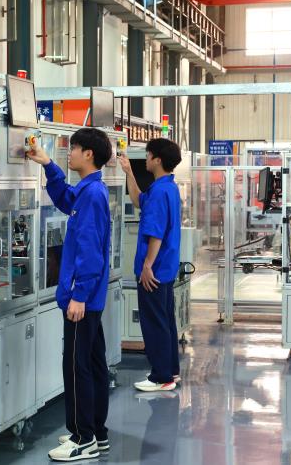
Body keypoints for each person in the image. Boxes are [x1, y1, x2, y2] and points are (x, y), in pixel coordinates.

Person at [26, 128, 113, 462]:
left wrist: (79, 295)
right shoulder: (90, 190)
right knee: (93, 363)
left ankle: (82, 437)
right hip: (89, 297)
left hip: (82, 299)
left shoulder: (92, 195)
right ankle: (97, 432)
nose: (70, 153)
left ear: (88, 153)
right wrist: (47, 164)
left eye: (73, 148)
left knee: (76, 367)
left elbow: (90, 250)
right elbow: (65, 199)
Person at [119, 138, 182, 392]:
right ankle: (170, 371)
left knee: (154, 323)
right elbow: (137, 200)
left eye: (147, 155)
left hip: (154, 270)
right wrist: (128, 172)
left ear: (157, 159)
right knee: (165, 321)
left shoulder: (159, 192)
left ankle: (160, 377)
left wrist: (147, 265)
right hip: (166, 268)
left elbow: (155, 233)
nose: (145, 159)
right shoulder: (167, 188)